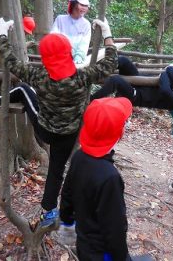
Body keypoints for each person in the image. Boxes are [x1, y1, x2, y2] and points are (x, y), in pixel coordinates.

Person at [0, 17, 118, 229]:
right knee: (56, 170)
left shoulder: (38, 74)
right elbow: (111, 61)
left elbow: (10, 61)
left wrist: (2, 33)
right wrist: (107, 32)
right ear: (68, 53)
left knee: (22, 89)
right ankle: (48, 210)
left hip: (46, 129)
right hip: (69, 133)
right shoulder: (83, 76)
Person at [59, 97, 133, 260]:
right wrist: (121, 257)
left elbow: (67, 193)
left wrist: (67, 221)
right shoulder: (110, 178)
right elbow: (115, 228)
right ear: (119, 133)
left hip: (84, 244)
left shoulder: (78, 157)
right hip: (103, 253)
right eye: (124, 123)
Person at [92, 59, 173, 111]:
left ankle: (89, 101)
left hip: (136, 94)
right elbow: (171, 69)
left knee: (116, 80)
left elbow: (165, 90)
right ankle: (95, 70)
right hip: (138, 79)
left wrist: (164, 73)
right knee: (123, 61)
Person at [51, 0, 91, 65]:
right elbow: (53, 37)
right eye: (81, 5)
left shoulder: (86, 24)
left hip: (76, 62)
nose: (84, 8)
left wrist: (79, 56)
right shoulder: (60, 19)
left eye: (86, 6)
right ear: (73, 4)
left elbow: (84, 44)